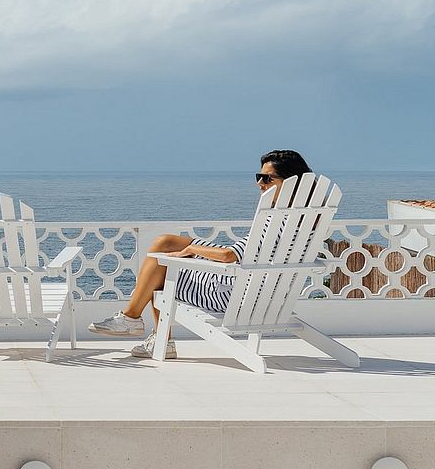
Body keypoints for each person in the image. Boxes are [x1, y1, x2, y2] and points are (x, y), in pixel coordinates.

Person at [90, 150, 313, 357]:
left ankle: (138, 324)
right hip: (265, 293)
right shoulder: (308, 218)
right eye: (259, 177)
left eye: (267, 178)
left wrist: (190, 250)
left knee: (160, 270)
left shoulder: (276, 220)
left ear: (291, 182)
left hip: (235, 297)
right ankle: (136, 322)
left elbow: (228, 256)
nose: (259, 183)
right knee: (165, 242)